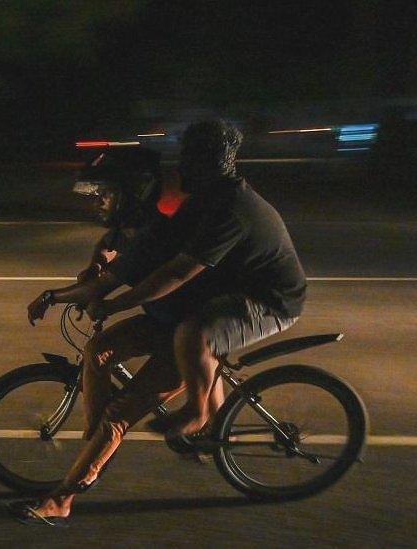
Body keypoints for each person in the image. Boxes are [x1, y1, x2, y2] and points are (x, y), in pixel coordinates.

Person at [87, 119, 307, 448]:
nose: (181, 164)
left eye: (188, 156)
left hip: (269, 300)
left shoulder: (232, 209)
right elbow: (163, 245)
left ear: (207, 163)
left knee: (195, 333)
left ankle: (196, 413)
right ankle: (216, 432)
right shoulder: (206, 198)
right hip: (229, 290)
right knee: (194, 332)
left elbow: (178, 272)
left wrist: (118, 303)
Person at [14, 147, 196, 526]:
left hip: (189, 337)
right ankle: (94, 447)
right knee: (96, 351)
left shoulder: (155, 233)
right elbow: (108, 244)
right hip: (163, 323)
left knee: (117, 415)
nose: (100, 200)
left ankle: (63, 499)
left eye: (107, 193)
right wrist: (96, 259)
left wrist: (51, 297)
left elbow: (99, 289)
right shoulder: (134, 224)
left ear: (134, 191)